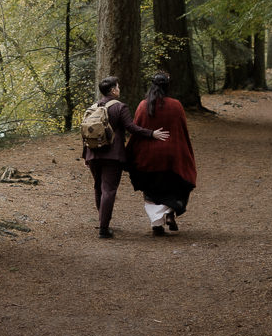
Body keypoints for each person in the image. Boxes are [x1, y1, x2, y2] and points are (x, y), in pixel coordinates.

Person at [83, 76, 169, 239]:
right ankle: (103, 228)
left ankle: (103, 220)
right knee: (109, 189)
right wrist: (151, 133)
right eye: (118, 87)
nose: (119, 89)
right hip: (112, 155)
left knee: (98, 187)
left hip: (93, 153)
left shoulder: (93, 107)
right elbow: (131, 127)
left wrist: (85, 155)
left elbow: (86, 132)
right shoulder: (119, 107)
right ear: (113, 90)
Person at [126, 71, 197, 236]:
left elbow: (137, 131)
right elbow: (182, 131)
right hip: (172, 156)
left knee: (151, 190)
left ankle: (157, 223)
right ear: (168, 86)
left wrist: (130, 154)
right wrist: (185, 154)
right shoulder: (176, 105)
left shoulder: (143, 105)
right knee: (175, 185)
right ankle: (169, 213)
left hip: (148, 157)